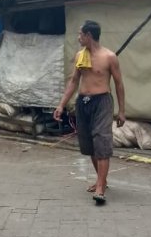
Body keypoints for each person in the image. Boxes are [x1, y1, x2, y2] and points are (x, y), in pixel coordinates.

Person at [54, 20, 126, 205]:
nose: (78, 38)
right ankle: (101, 180)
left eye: (80, 34)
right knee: (89, 145)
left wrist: (122, 111)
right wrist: (61, 105)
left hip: (102, 102)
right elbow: (73, 81)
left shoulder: (109, 57)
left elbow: (118, 84)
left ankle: (100, 189)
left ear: (88, 35)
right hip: (83, 103)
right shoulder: (80, 56)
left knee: (101, 141)